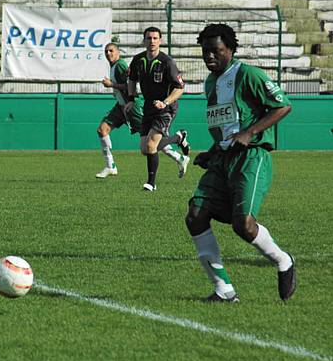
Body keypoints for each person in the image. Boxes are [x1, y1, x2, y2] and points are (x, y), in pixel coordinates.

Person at [185, 23, 295, 303]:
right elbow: (225, 124)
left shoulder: (249, 75)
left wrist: (250, 132)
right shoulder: (211, 82)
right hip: (222, 158)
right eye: (205, 51)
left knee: (244, 225)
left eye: (216, 51)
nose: (210, 57)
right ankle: (224, 289)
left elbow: (282, 105)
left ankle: (283, 261)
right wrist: (211, 151)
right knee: (196, 215)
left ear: (231, 50)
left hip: (251, 157)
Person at [96, 43, 188, 179]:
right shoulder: (113, 66)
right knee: (102, 130)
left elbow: (129, 85)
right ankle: (110, 166)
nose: (108, 54)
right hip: (121, 106)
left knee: (150, 142)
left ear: (118, 52)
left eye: (111, 51)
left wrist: (112, 85)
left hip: (131, 107)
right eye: (106, 51)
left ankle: (179, 156)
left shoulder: (120, 65)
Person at [125, 27, 190, 191]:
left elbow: (180, 87)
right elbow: (131, 80)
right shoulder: (138, 60)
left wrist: (166, 102)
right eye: (149, 38)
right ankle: (178, 137)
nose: (152, 41)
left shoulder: (167, 62)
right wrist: (131, 99)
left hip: (166, 108)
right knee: (144, 149)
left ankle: (151, 183)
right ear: (144, 40)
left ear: (160, 41)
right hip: (148, 106)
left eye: (155, 38)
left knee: (151, 145)